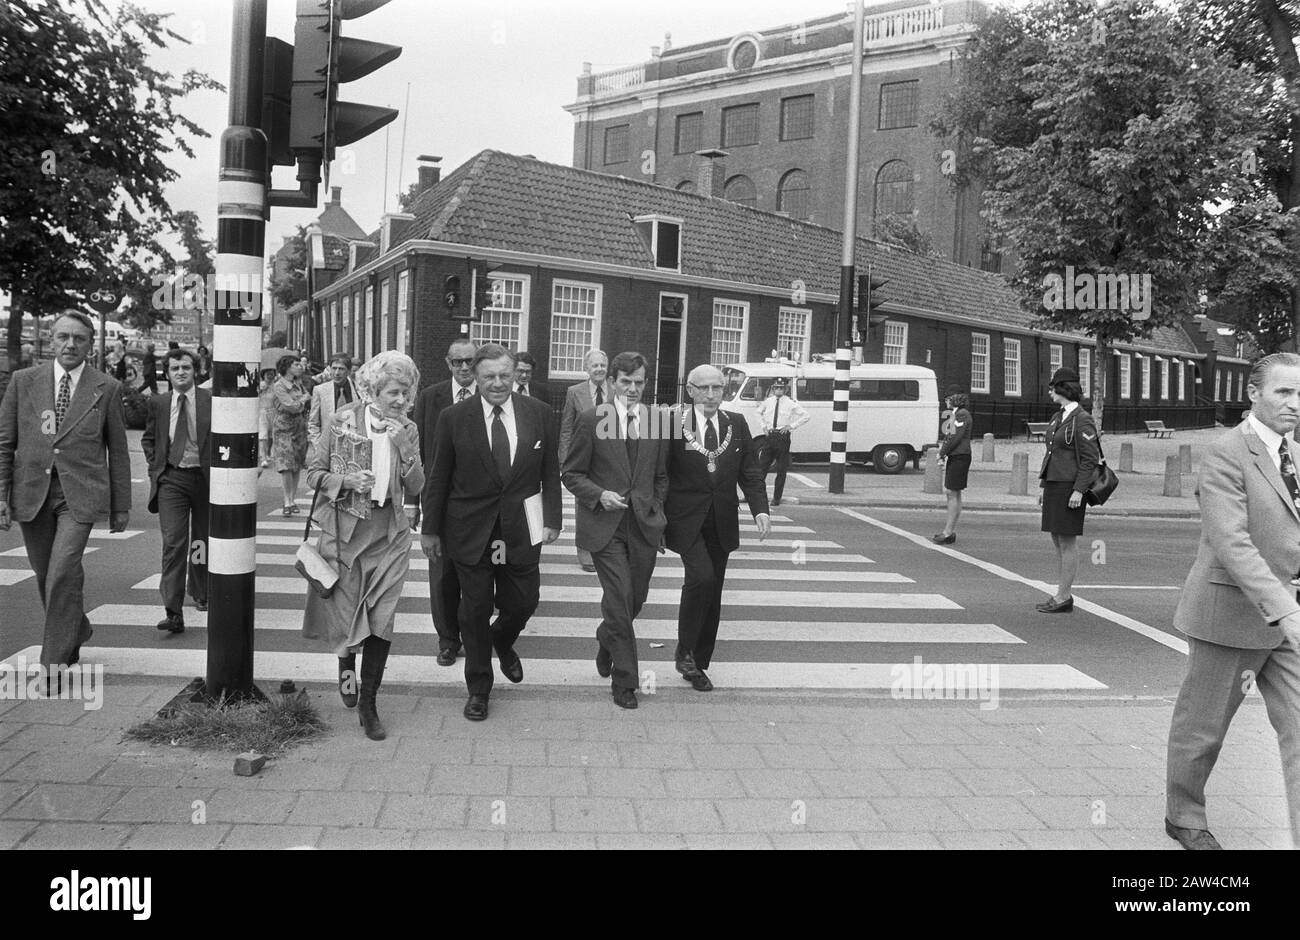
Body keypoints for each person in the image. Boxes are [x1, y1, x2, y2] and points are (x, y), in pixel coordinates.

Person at [1164, 353, 1300, 850]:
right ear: (1254, 394)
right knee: (1203, 732)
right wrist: (1285, 609)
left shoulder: (1296, 455)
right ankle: (1184, 815)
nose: (1295, 404)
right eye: (1284, 392)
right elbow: (1231, 540)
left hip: (1287, 623)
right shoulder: (1226, 452)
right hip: (1230, 614)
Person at [421, 343, 562, 722]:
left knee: (523, 602)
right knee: (475, 610)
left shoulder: (541, 414)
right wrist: (429, 529)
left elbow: (550, 470)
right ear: (475, 378)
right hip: (470, 529)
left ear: (515, 374)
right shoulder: (453, 417)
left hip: (522, 526)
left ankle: (503, 638)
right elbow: (439, 476)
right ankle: (479, 689)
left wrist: (553, 519)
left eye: (504, 375)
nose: (497, 383)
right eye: (489, 377)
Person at [302, 351, 424, 741]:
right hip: (347, 532)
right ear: (373, 389)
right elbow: (313, 474)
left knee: (382, 620)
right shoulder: (343, 420)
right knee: (346, 615)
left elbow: (418, 486)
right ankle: (344, 664)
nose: (401, 400)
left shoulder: (408, 427)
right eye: (393, 392)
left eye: (406, 392)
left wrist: (406, 450)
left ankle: (369, 704)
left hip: (390, 533)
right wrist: (347, 483)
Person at [0, 311, 131, 668]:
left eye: (79, 338)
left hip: (79, 495)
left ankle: (53, 663)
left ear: (91, 345)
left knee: (62, 570)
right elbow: (5, 442)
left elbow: (118, 450)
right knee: (47, 576)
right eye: (62, 337)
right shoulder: (24, 381)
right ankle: (77, 627)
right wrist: (2, 494)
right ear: (51, 339)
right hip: (32, 492)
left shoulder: (106, 387)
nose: (70, 344)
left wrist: (121, 507)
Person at [562, 351, 669, 709]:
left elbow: (660, 475)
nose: (633, 389)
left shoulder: (656, 420)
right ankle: (625, 682)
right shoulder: (593, 419)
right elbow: (571, 474)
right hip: (604, 528)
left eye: (639, 382)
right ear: (611, 382)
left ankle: (606, 637)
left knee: (633, 600)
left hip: (642, 527)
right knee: (621, 598)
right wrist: (600, 495)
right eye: (626, 382)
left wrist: (655, 507)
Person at [665, 364, 770, 691]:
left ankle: (698, 662)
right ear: (690, 390)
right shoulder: (670, 423)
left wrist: (760, 509)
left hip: (721, 518)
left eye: (718, 388)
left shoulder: (736, 424)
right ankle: (685, 650)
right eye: (704, 388)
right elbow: (657, 472)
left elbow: (750, 471)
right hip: (685, 519)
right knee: (701, 577)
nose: (711, 395)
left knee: (713, 590)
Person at [412, 337, 478, 666]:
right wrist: (415, 502)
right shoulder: (430, 397)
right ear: (448, 363)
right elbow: (418, 452)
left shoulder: (491, 395)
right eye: (458, 362)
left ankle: (474, 633)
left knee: (479, 574)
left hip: (480, 504)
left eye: (470, 361)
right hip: (439, 500)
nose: (464, 368)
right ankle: (448, 640)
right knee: (441, 575)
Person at [141, 348, 210, 634]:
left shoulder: (210, 400)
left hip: (205, 479)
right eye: (174, 369)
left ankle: (201, 590)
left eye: (185, 367)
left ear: (195, 371)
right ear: (167, 374)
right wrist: (156, 467)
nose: (180, 372)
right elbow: (148, 439)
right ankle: (173, 610)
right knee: (173, 542)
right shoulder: (158, 403)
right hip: (172, 479)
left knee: (202, 541)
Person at [1036, 367, 1099, 613]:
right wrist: (1044, 485)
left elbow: (1089, 458)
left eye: (1053, 387)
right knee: (1056, 538)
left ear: (1064, 389)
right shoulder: (1058, 416)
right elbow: (1051, 453)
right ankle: (1060, 592)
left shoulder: (1082, 418)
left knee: (1067, 541)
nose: (1050, 391)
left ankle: (1064, 596)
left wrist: (1079, 490)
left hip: (1070, 486)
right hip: (1054, 484)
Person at [560, 349, 612, 572]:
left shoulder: (616, 389)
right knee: (584, 503)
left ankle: (607, 549)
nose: (599, 369)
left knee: (607, 502)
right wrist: (564, 459)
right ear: (586, 369)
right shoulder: (574, 392)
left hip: (610, 457)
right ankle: (585, 553)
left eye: (602, 365)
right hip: (583, 457)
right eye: (594, 366)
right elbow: (567, 427)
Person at [270, 353, 311, 515]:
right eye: (296, 364)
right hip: (284, 427)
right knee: (286, 464)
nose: (299, 367)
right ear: (287, 367)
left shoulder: (298, 384)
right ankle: (287, 500)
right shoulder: (279, 385)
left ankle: (292, 499)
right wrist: (303, 400)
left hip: (299, 426)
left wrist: (301, 399)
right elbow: (290, 406)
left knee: (296, 464)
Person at [756, 379, 808, 508]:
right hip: (770, 435)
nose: (778, 390)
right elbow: (757, 413)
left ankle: (776, 498)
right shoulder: (768, 402)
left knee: (781, 470)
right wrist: (763, 426)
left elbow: (806, 416)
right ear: (773, 389)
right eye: (776, 388)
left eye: (781, 388)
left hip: (782, 436)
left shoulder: (790, 403)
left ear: (785, 390)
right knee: (761, 468)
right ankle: (755, 495)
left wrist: (791, 426)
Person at [932, 387, 972, 544]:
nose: (946, 401)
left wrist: (942, 453)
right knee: (953, 492)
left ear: (956, 399)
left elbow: (955, 437)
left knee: (952, 492)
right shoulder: (957, 413)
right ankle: (949, 531)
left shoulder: (961, 414)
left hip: (960, 456)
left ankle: (948, 532)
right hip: (958, 456)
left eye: (948, 398)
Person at [308, 354, 358, 444]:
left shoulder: (358, 390)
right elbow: (313, 423)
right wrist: (319, 446)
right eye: (334, 368)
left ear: (349, 371)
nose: (336, 373)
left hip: (353, 443)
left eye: (341, 369)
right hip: (328, 445)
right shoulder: (320, 391)